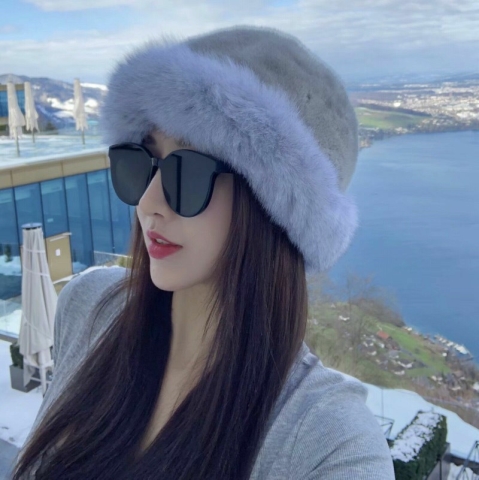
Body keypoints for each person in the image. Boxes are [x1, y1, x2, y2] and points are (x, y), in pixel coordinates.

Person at [12, 25, 395, 479]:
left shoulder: (328, 441)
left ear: (271, 208)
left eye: (188, 171)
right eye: (141, 161)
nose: (148, 203)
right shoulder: (88, 308)